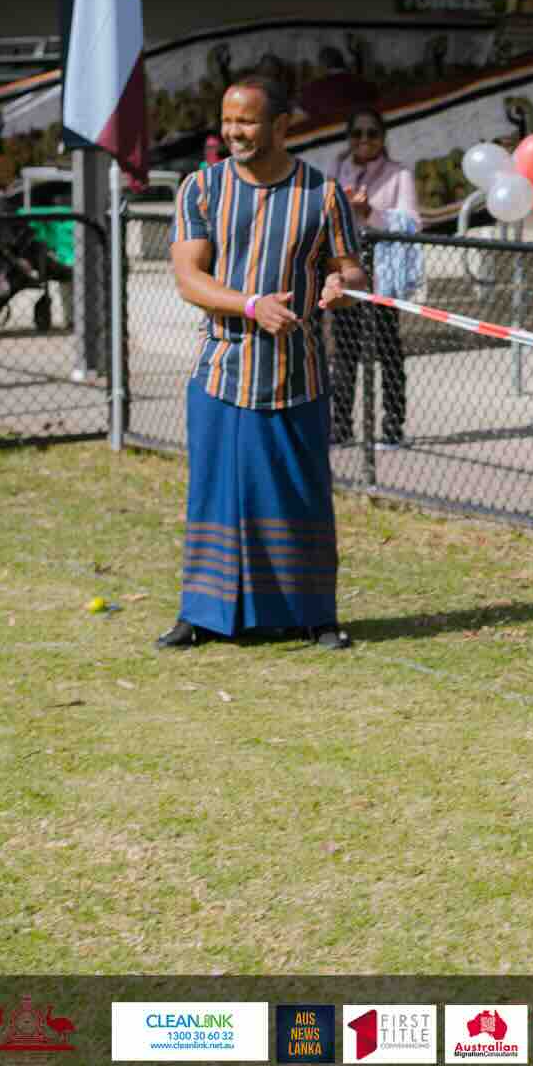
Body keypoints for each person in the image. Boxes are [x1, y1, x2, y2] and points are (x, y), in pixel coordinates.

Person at [158, 77, 368, 653]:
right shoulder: (200, 189)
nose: (233, 132)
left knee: (300, 498)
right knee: (215, 496)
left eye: (246, 121)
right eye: (227, 121)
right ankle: (201, 614)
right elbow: (189, 279)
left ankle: (314, 616)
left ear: (280, 126)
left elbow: (352, 271)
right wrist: (250, 305)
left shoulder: (323, 194)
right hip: (222, 372)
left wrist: (340, 284)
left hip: (297, 376)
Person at [328, 107, 421, 450]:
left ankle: (393, 428)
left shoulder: (399, 175)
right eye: (357, 134)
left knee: (389, 353)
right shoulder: (337, 170)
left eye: (372, 133)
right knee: (344, 354)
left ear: (383, 138)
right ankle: (341, 427)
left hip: (383, 281)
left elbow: (411, 223)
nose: (364, 141)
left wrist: (371, 214)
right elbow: (323, 214)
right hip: (345, 276)